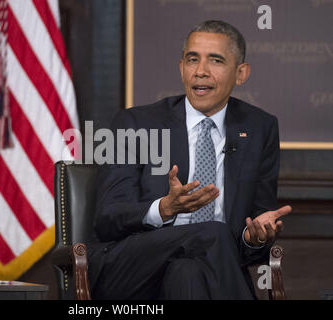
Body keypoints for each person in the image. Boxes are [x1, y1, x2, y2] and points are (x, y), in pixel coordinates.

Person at [87, 20, 292, 300]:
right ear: (181, 66)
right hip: (130, 270)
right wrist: (164, 209)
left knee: (187, 273)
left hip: (204, 275)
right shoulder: (135, 123)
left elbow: (255, 228)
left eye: (216, 60)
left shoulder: (260, 128)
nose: (200, 71)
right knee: (214, 234)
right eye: (192, 59)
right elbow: (108, 217)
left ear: (241, 73)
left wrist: (253, 237)